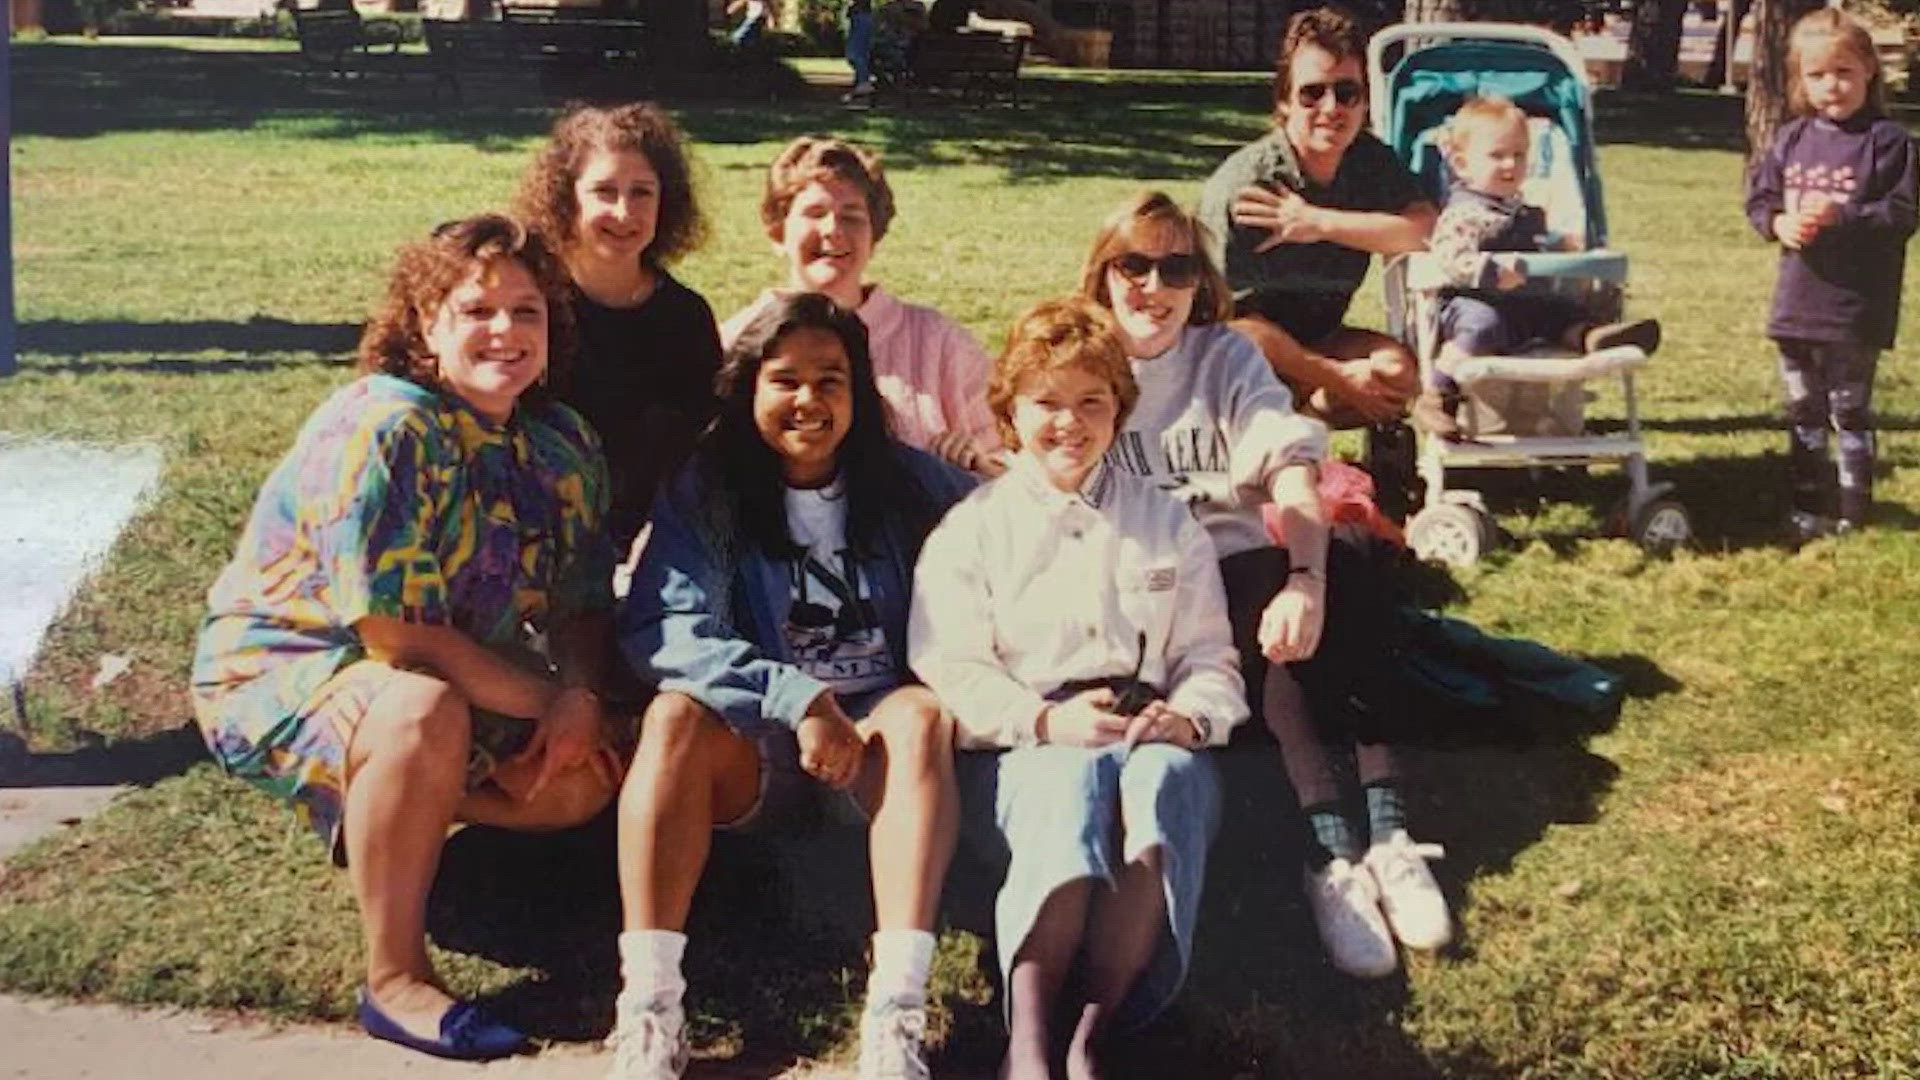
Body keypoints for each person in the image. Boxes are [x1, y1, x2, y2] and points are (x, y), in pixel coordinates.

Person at [190, 215, 622, 1061]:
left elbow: (580, 607)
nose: (504, 332)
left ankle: (401, 802)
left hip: (459, 675)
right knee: (421, 713)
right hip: (298, 666)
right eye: (477, 310)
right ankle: (394, 981)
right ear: (428, 324)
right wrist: (554, 704)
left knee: (589, 780)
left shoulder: (562, 444)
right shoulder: (384, 428)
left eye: (526, 311)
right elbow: (398, 639)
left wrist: (579, 699)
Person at [1081, 191, 1453, 980]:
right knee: (1254, 596)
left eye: (1175, 267)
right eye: (1132, 265)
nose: (1153, 285)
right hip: (1144, 597)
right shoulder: (1085, 364)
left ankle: (1385, 838)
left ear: (1200, 281)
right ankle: (1330, 852)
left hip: (1243, 567)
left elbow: (1288, 469)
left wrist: (1309, 578)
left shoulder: (1224, 357)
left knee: (1341, 559)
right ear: (1102, 276)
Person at [610, 293, 974, 1080]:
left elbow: (1019, 531)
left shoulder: (911, 484)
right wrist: (794, 699)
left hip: (877, 750)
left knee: (917, 715)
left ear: (859, 390)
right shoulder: (706, 489)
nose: (808, 400)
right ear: (749, 390)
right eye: (785, 380)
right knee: (673, 715)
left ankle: (896, 1011)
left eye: (830, 379)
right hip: (761, 750)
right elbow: (663, 629)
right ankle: (649, 1009)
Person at [910, 297, 1245, 1080]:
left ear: (1120, 411)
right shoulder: (974, 527)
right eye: (1047, 404)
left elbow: (1210, 658)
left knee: (1162, 784)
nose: (1070, 423)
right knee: (1069, 788)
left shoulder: (1165, 521)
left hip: (1146, 732)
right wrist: (1042, 720)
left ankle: (1095, 1028)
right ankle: (1028, 1036)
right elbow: (947, 664)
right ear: (1009, 412)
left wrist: (1189, 719)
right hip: (1029, 744)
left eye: (1092, 402)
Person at [1197, 4, 1433, 432]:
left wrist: (1317, 222)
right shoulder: (1248, 186)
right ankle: (1277, 427)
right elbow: (1227, 326)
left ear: (1365, 101)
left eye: (1347, 93)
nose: (1331, 108)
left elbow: (1425, 231)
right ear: (1284, 101)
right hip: (1235, 357)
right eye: (1312, 92)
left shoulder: (1370, 162)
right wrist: (1336, 376)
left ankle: (1306, 423)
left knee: (1395, 373)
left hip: (1321, 336)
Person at [721, 135, 1003, 477]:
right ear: (778, 234)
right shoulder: (734, 343)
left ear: (874, 235)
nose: (833, 230)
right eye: (815, 213)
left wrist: (974, 469)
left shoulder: (941, 345)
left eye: (851, 216)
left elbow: (1016, 477)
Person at [515, 102, 723, 565]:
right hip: (533, 545)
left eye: (642, 192)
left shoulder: (686, 318)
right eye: (604, 191)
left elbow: (702, 456)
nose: (624, 211)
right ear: (567, 197)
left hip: (658, 550)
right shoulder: (530, 307)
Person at [1745, 7, 1916, 541]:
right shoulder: (1792, 138)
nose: (1832, 86)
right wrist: (1778, 222)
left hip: (1853, 308)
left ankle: (1852, 506)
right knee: (1802, 410)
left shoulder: (1888, 142)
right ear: (1800, 79)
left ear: (1869, 69)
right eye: (1817, 75)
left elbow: (1902, 215)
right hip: (1796, 304)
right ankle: (1806, 503)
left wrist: (1841, 216)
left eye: (1843, 72)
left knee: (1849, 410)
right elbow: (1760, 197)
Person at [1413, 95, 1662, 439]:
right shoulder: (1464, 214)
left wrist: (1559, 245)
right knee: (1482, 324)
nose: (1509, 165)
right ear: (1461, 164)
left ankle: (1593, 336)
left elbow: (1536, 244)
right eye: (1497, 155)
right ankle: (1440, 393)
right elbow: (1448, 255)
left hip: (1523, 302)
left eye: (1518, 155)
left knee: (1559, 310)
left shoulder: (1520, 209)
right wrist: (1488, 269)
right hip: (1470, 302)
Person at [845, 0, 876, 104]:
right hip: (858, 15)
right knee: (857, 52)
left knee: (856, 52)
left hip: (861, 16)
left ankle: (864, 82)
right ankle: (861, 81)